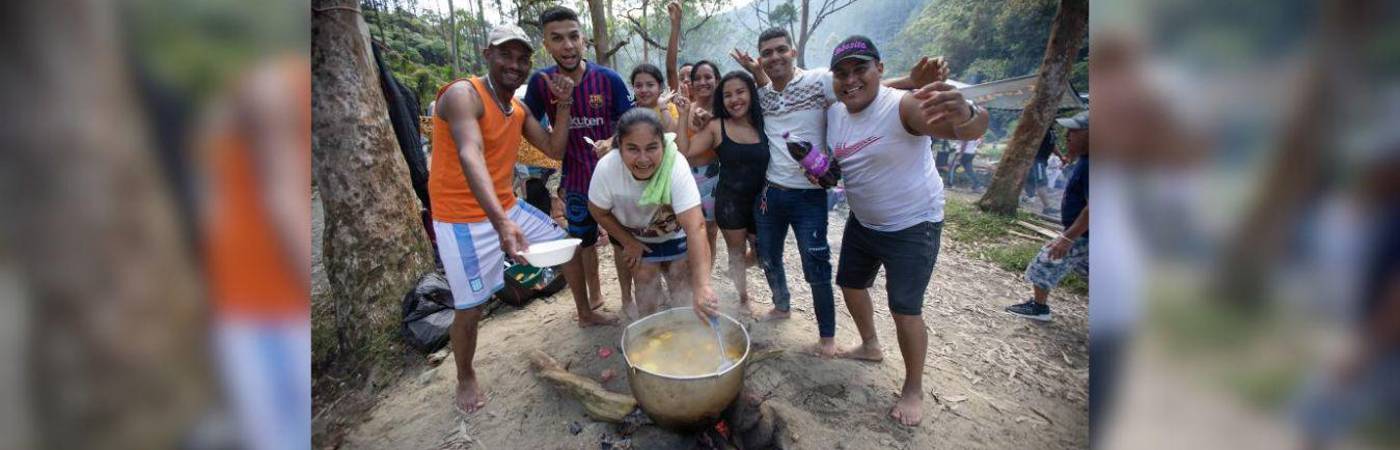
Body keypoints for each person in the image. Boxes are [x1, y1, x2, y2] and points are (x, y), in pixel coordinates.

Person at [738, 27, 943, 356]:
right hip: (772, 191)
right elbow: (765, 90)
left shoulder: (819, 80)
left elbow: (862, 90)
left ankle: (827, 337)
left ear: (792, 52)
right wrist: (755, 73)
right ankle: (782, 305)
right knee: (769, 256)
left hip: (811, 194)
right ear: (761, 59)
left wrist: (913, 80)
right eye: (767, 53)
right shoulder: (762, 93)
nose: (774, 56)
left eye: (780, 50)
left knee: (815, 266)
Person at [823, 35, 988, 427]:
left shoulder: (904, 106)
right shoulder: (835, 113)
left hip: (914, 223)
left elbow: (966, 129)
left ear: (879, 69)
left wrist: (967, 113)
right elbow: (839, 163)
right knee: (849, 283)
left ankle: (912, 388)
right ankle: (869, 345)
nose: (850, 80)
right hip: (863, 221)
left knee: (905, 308)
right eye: (842, 73)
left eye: (860, 69)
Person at [430, 24, 577, 414]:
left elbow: (554, 149)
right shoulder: (464, 95)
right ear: (487, 54)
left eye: (522, 58)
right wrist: (498, 223)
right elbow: (469, 153)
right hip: (461, 219)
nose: (515, 64)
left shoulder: (518, 109)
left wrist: (563, 106)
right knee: (471, 306)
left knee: (566, 244)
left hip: (505, 207)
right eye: (506, 55)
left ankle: (583, 311)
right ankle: (465, 375)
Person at [523, 6, 632, 322]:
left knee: (620, 240)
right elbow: (524, 120)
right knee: (583, 243)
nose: (567, 45)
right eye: (557, 39)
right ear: (546, 45)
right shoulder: (541, 82)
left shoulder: (608, 79)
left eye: (573, 36)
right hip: (575, 182)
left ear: (583, 38)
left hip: (615, 180)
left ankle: (627, 299)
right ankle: (594, 298)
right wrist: (547, 141)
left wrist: (613, 141)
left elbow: (629, 121)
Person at [588, 108, 720, 322]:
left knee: (681, 284)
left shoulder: (675, 164)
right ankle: (649, 334)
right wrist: (628, 242)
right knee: (645, 283)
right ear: (619, 146)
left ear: (663, 145)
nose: (643, 159)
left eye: (651, 148)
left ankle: (685, 332)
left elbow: (696, 227)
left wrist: (703, 286)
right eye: (632, 149)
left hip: (675, 234)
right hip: (638, 237)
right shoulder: (607, 168)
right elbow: (598, 211)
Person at [676, 70, 770, 316]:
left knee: (763, 253)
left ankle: (735, 273)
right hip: (730, 203)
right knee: (736, 253)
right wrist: (684, 113)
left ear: (751, 93)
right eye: (727, 95)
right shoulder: (716, 126)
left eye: (740, 92)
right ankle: (742, 298)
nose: (734, 99)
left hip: (762, 202)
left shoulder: (764, 123)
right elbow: (685, 151)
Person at [1005, 111, 1088, 322]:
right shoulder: (1086, 160)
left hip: (1084, 235)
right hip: (1087, 235)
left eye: (1074, 131)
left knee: (1046, 260)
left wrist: (1068, 237)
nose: (1068, 135)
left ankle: (1039, 308)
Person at [684, 59, 723, 267]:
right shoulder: (684, 109)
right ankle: (689, 277)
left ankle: (705, 275)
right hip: (685, 175)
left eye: (708, 77)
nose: (702, 82)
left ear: (717, 80)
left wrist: (712, 122)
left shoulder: (725, 110)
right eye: (697, 78)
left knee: (710, 230)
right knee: (687, 229)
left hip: (713, 176)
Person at [1026, 127, 1067, 214]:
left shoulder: (1051, 129)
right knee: (1041, 182)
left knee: (1035, 181)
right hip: (1037, 159)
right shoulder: (1040, 127)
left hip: (1043, 159)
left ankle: (1040, 203)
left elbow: (1052, 145)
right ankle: (1047, 207)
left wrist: (1061, 156)